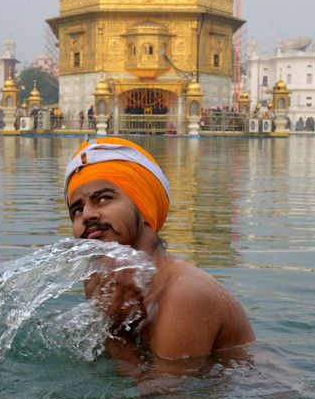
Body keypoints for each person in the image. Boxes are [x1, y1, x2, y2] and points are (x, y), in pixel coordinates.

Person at [64, 137, 255, 365]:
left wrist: (114, 329)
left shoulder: (185, 293)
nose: (86, 215)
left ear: (143, 206)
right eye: (77, 209)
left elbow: (162, 397)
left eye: (103, 198)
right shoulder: (111, 284)